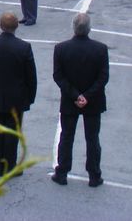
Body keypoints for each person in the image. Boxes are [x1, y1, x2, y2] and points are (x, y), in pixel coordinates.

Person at [52, 12, 110, 188]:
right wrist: (87, 96)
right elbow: (103, 78)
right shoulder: (100, 49)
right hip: (93, 101)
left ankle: (62, 172)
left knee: (67, 136)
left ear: (73, 27)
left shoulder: (61, 48)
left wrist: (75, 95)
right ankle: (94, 175)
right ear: (89, 28)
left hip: (70, 100)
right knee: (92, 138)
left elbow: (58, 76)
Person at [0, 12, 38, 176]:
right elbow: (31, 77)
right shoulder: (24, 48)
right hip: (16, 99)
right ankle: (10, 165)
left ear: (0, 25)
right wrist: (29, 99)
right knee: (12, 133)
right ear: (16, 26)